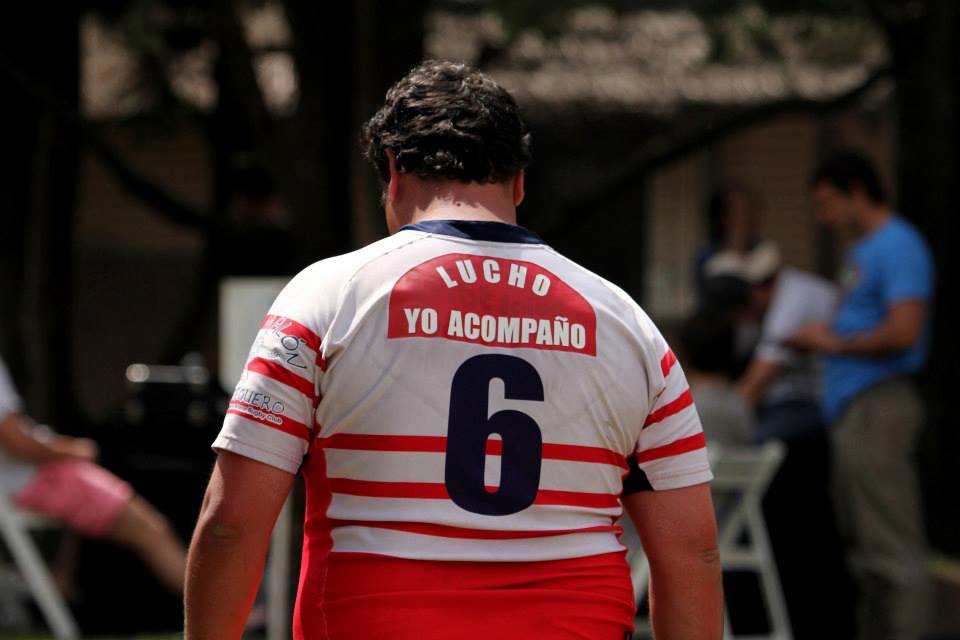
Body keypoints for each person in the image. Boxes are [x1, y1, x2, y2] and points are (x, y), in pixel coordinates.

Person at [185, 61, 723, 639]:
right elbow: (692, 552)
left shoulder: (327, 297)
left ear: (391, 172)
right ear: (519, 182)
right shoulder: (628, 325)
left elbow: (231, 525)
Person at [788, 150, 934, 640]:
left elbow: (905, 330)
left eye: (828, 203)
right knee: (864, 551)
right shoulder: (863, 251)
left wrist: (829, 342)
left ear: (857, 192)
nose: (823, 217)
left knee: (891, 548)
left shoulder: (897, 245)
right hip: (852, 410)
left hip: (880, 404)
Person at [0, 356, 187, 595]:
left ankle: (62, 583)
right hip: (34, 478)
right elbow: (17, 444)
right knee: (151, 529)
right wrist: (74, 450)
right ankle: (222, 617)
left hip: (31, 478)